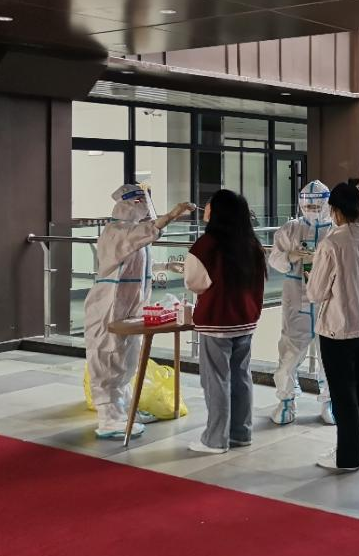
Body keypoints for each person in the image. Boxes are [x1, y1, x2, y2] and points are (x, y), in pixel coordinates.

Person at [84, 184, 191, 439]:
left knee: (127, 361)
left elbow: (134, 262)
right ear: (128, 204)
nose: (144, 207)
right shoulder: (116, 232)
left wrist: (166, 266)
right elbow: (145, 233)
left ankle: (125, 411)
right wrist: (172, 214)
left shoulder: (130, 233)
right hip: (109, 307)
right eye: (140, 202)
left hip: (129, 307)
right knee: (109, 360)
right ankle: (109, 419)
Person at [306, 179, 359, 472]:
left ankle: (348, 457)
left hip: (338, 330)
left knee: (343, 395)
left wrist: (310, 277)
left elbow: (315, 293)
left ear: (336, 211)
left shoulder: (332, 244)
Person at [183, 189, 266, 455]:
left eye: (209, 205)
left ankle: (215, 439)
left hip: (217, 320)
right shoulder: (252, 244)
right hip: (245, 320)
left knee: (216, 380)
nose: (205, 209)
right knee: (241, 377)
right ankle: (241, 433)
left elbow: (194, 283)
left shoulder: (206, 245)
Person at [267, 180, 335, 426]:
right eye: (308, 206)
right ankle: (286, 400)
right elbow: (274, 259)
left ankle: (330, 401)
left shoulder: (336, 231)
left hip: (328, 302)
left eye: (317, 207)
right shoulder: (290, 229)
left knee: (331, 356)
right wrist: (291, 256)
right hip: (296, 300)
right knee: (289, 354)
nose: (313, 211)